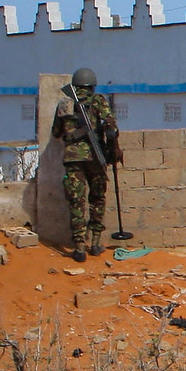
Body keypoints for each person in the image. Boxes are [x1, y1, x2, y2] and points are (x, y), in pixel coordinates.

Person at [51, 67, 120, 262]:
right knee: (97, 199)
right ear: (92, 85)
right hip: (95, 160)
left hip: (73, 159)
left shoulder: (65, 104)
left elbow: (56, 132)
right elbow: (111, 126)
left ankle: (80, 246)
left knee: (76, 201)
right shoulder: (97, 101)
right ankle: (96, 243)